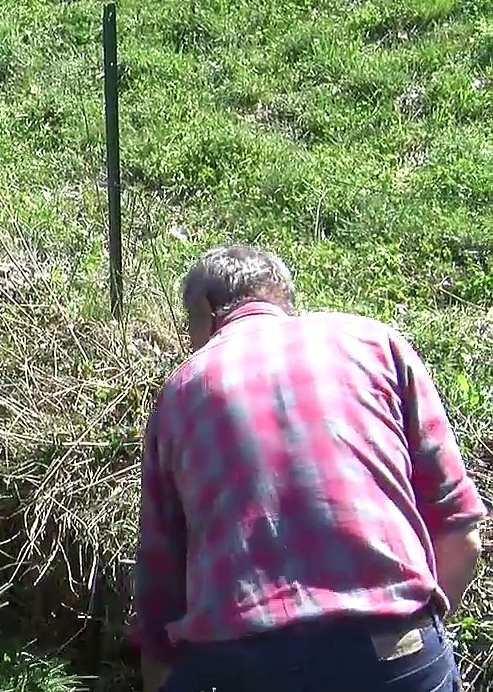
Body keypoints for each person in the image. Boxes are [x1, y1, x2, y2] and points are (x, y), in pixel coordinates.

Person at [131, 243, 487, 692]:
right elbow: (461, 530)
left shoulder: (182, 389)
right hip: (395, 653)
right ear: (282, 296)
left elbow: (160, 581)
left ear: (205, 310)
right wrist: (412, 641)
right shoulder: (376, 343)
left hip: (244, 666)